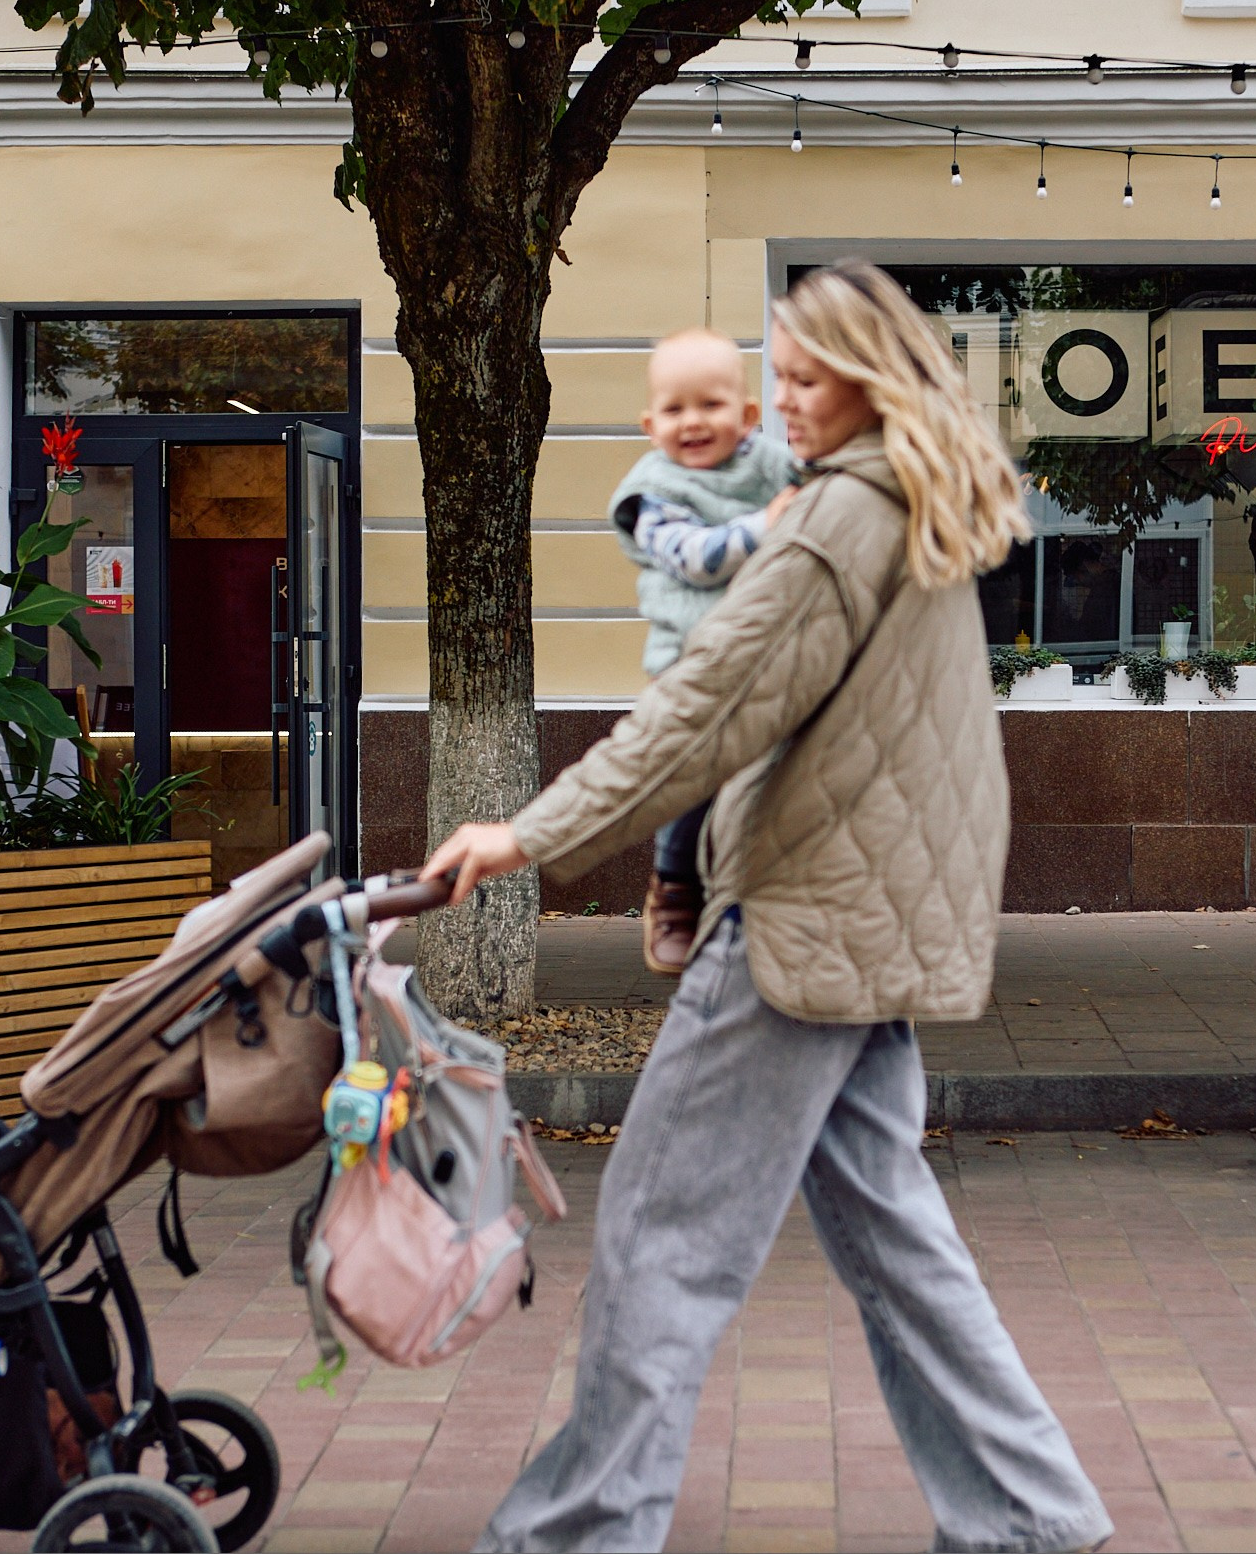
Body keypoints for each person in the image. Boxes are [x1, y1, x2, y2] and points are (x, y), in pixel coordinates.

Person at [428, 261, 1113, 1554]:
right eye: (778, 376)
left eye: (800, 379)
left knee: (657, 1232)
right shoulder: (918, 504)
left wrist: (527, 832)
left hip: (801, 923)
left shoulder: (835, 522)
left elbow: (703, 710)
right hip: (875, 925)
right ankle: (1031, 1511)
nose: (779, 403)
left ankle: (581, 1528)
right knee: (897, 1242)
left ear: (868, 379)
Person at [609, 327, 798, 975]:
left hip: (769, 659)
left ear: (747, 415)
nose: (692, 421)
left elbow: (832, 493)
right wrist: (767, 523)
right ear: (650, 423)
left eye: (711, 405)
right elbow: (697, 561)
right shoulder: (649, 493)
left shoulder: (773, 463)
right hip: (688, 665)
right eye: (674, 409)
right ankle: (673, 886)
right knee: (692, 781)